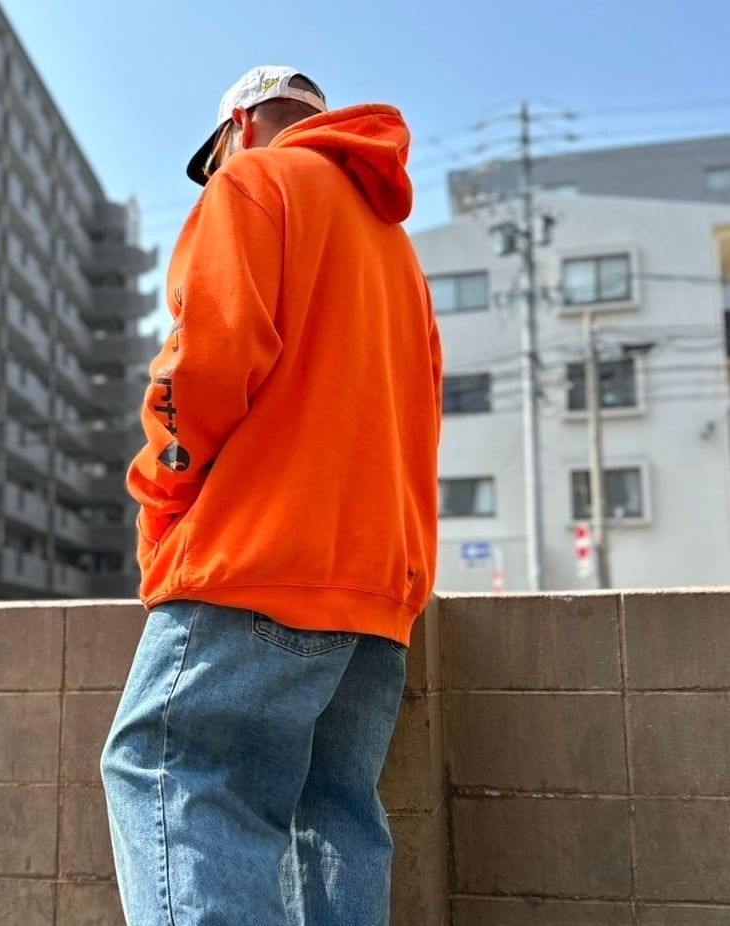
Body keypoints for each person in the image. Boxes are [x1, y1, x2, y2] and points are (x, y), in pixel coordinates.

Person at [101, 65, 442, 926]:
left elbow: (200, 371)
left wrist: (161, 505)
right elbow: (423, 413)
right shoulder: (397, 251)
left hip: (257, 563)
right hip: (376, 591)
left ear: (236, 129)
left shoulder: (256, 181)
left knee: (169, 772)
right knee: (332, 813)